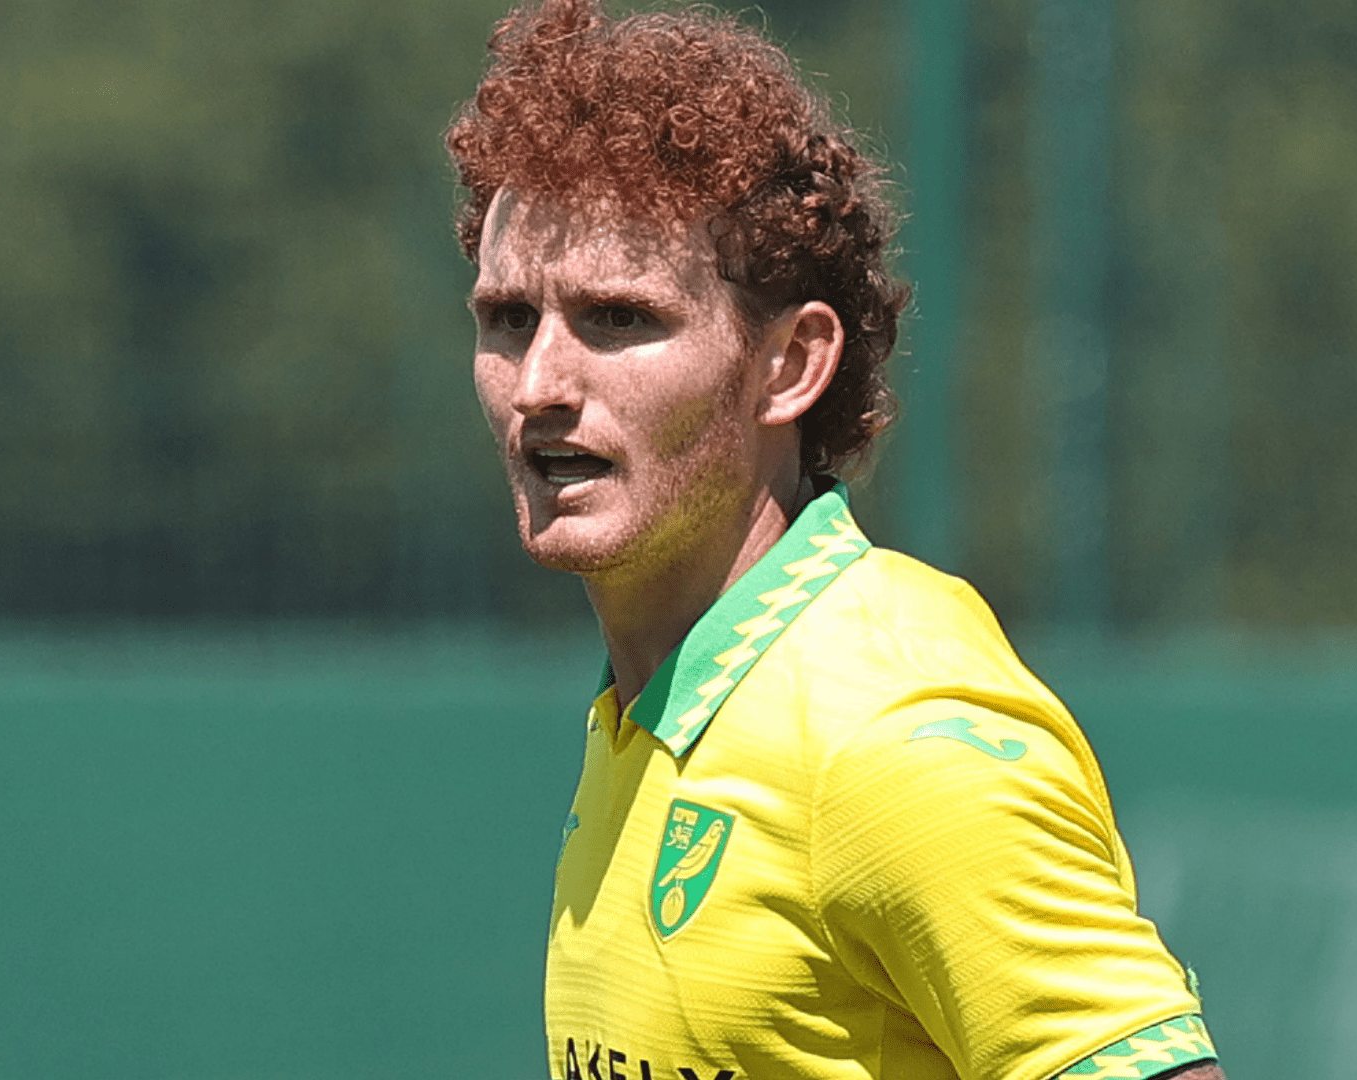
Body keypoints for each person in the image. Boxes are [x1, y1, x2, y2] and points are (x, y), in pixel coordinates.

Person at [446, 2, 1225, 1078]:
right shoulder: (651, 706)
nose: (539, 384)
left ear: (791, 365)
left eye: (620, 318)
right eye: (508, 319)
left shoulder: (891, 731)